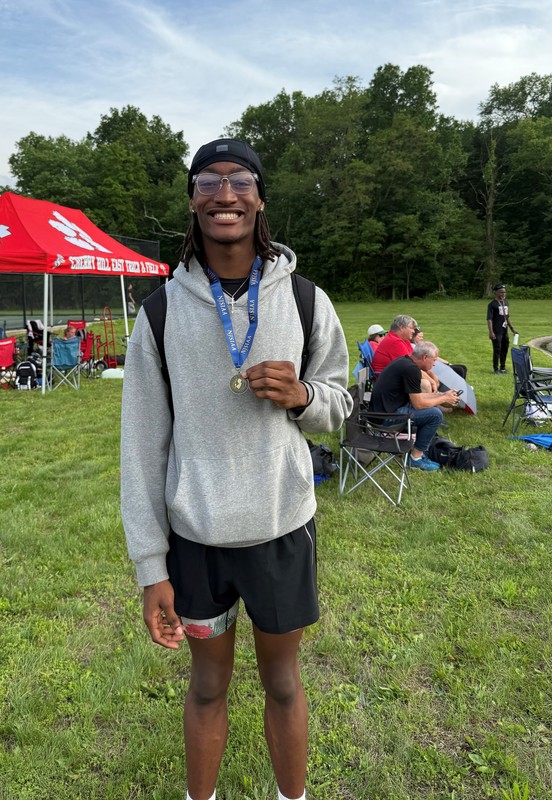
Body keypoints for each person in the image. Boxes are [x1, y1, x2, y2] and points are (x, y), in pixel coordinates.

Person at [120, 138, 352, 800]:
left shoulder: (304, 299)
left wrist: (302, 396)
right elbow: (141, 446)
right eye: (208, 181)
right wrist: (151, 567)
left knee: (282, 683)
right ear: (192, 201)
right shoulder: (160, 312)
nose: (225, 194)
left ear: (260, 199)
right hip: (196, 540)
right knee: (206, 686)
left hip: (281, 529)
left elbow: (339, 403)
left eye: (240, 180)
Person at [369, 340, 460, 471]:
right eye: (434, 360)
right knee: (435, 415)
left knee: (432, 410)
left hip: (382, 412)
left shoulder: (405, 362)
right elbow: (418, 404)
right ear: (425, 357)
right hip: (384, 418)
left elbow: (418, 397)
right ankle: (415, 459)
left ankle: (421, 450)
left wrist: (441, 395)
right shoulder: (411, 369)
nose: (434, 364)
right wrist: (444, 398)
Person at [487, 284, 518, 374]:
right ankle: (496, 369)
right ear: (496, 293)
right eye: (501, 292)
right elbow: (489, 319)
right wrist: (491, 332)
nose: (503, 294)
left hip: (504, 331)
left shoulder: (506, 302)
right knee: (497, 349)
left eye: (504, 292)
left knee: (505, 348)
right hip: (496, 331)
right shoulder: (492, 304)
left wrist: (512, 329)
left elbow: (507, 317)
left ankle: (503, 368)